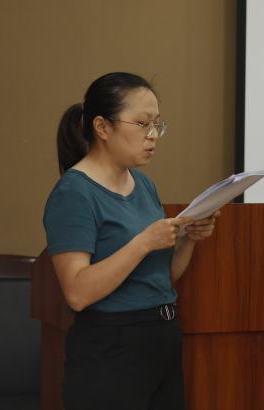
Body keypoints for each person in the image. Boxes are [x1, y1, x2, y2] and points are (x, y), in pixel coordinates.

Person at [43, 72, 216, 410]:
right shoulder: (74, 193)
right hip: (111, 346)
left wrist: (188, 240)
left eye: (157, 125)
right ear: (102, 127)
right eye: (142, 124)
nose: (153, 135)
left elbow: (162, 277)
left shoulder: (144, 185)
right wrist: (144, 242)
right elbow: (77, 292)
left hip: (161, 335)